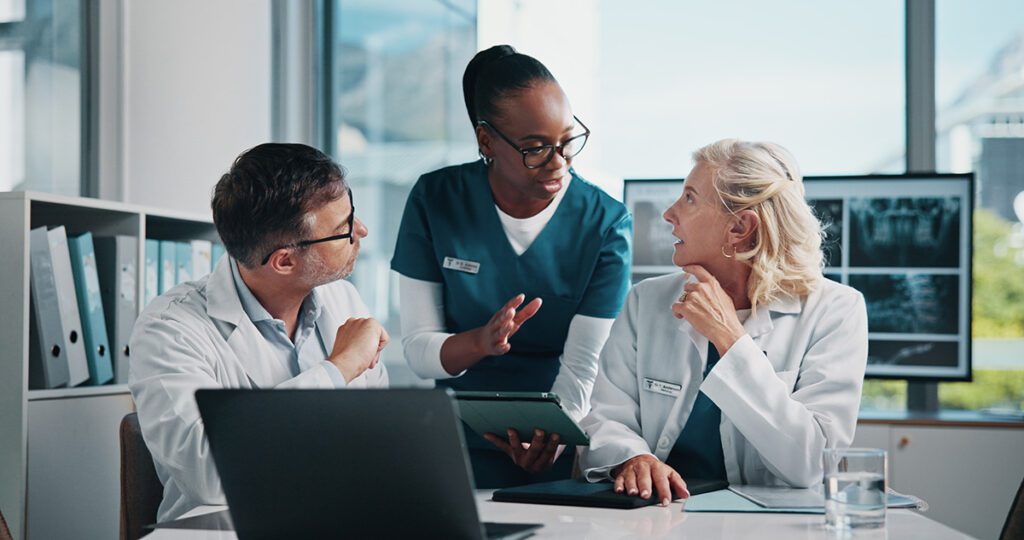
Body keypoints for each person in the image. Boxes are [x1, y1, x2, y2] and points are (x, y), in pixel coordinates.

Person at [391, 45, 632, 488]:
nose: (558, 162)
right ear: (487, 141)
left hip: (554, 440)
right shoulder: (435, 201)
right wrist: (481, 341)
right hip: (454, 440)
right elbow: (418, 351)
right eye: (536, 148)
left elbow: (583, 366)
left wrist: (551, 438)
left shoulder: (605, 224)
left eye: (567, 140)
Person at [579, 139, 868, 506]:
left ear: (739, 227)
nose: (669, 213)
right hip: (657, 518)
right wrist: (633, 457)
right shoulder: (646, 301)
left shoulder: (835, 311)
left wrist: (729, 338)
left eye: (689, 198)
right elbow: (606, 415)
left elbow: (811, 463)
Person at [129, 143, 390, 522]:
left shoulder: (343, 301)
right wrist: (338, 369)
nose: (361, 231)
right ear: (284, 261)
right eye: (343, 229)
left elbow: (378, 437)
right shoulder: (170, 330)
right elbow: (212, 475)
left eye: (353, 214)